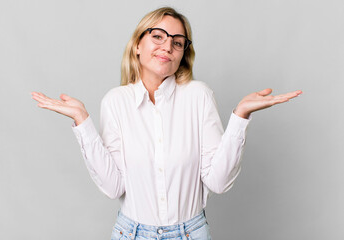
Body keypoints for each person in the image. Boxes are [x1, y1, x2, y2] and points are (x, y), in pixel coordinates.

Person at [31, 7, 302, 240]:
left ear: (183, 53)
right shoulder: (115, 102)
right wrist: (82, 121)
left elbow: (218, 181)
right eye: (157, 36)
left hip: (191, 232)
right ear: (137, 45)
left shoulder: (199, 96)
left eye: (177, 42)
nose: (167, 47)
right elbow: (114, 187)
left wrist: (240, 116)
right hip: (131, 233)